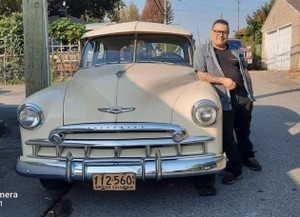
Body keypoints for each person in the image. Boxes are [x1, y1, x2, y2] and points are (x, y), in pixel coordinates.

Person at [194, 19, 262, 186]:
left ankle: (248, 156)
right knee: (226, 135)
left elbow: (244, 70)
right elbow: (200, 74)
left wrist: (248, 91)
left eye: (224, 32)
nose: (221, 35)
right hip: (223, 98)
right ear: (211, 32)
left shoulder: (236, 51)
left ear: (228, 33)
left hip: (243, 96)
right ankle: (234, 168)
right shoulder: (203, 50)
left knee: (243, 130)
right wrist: (223, 80)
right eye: (217, 31)